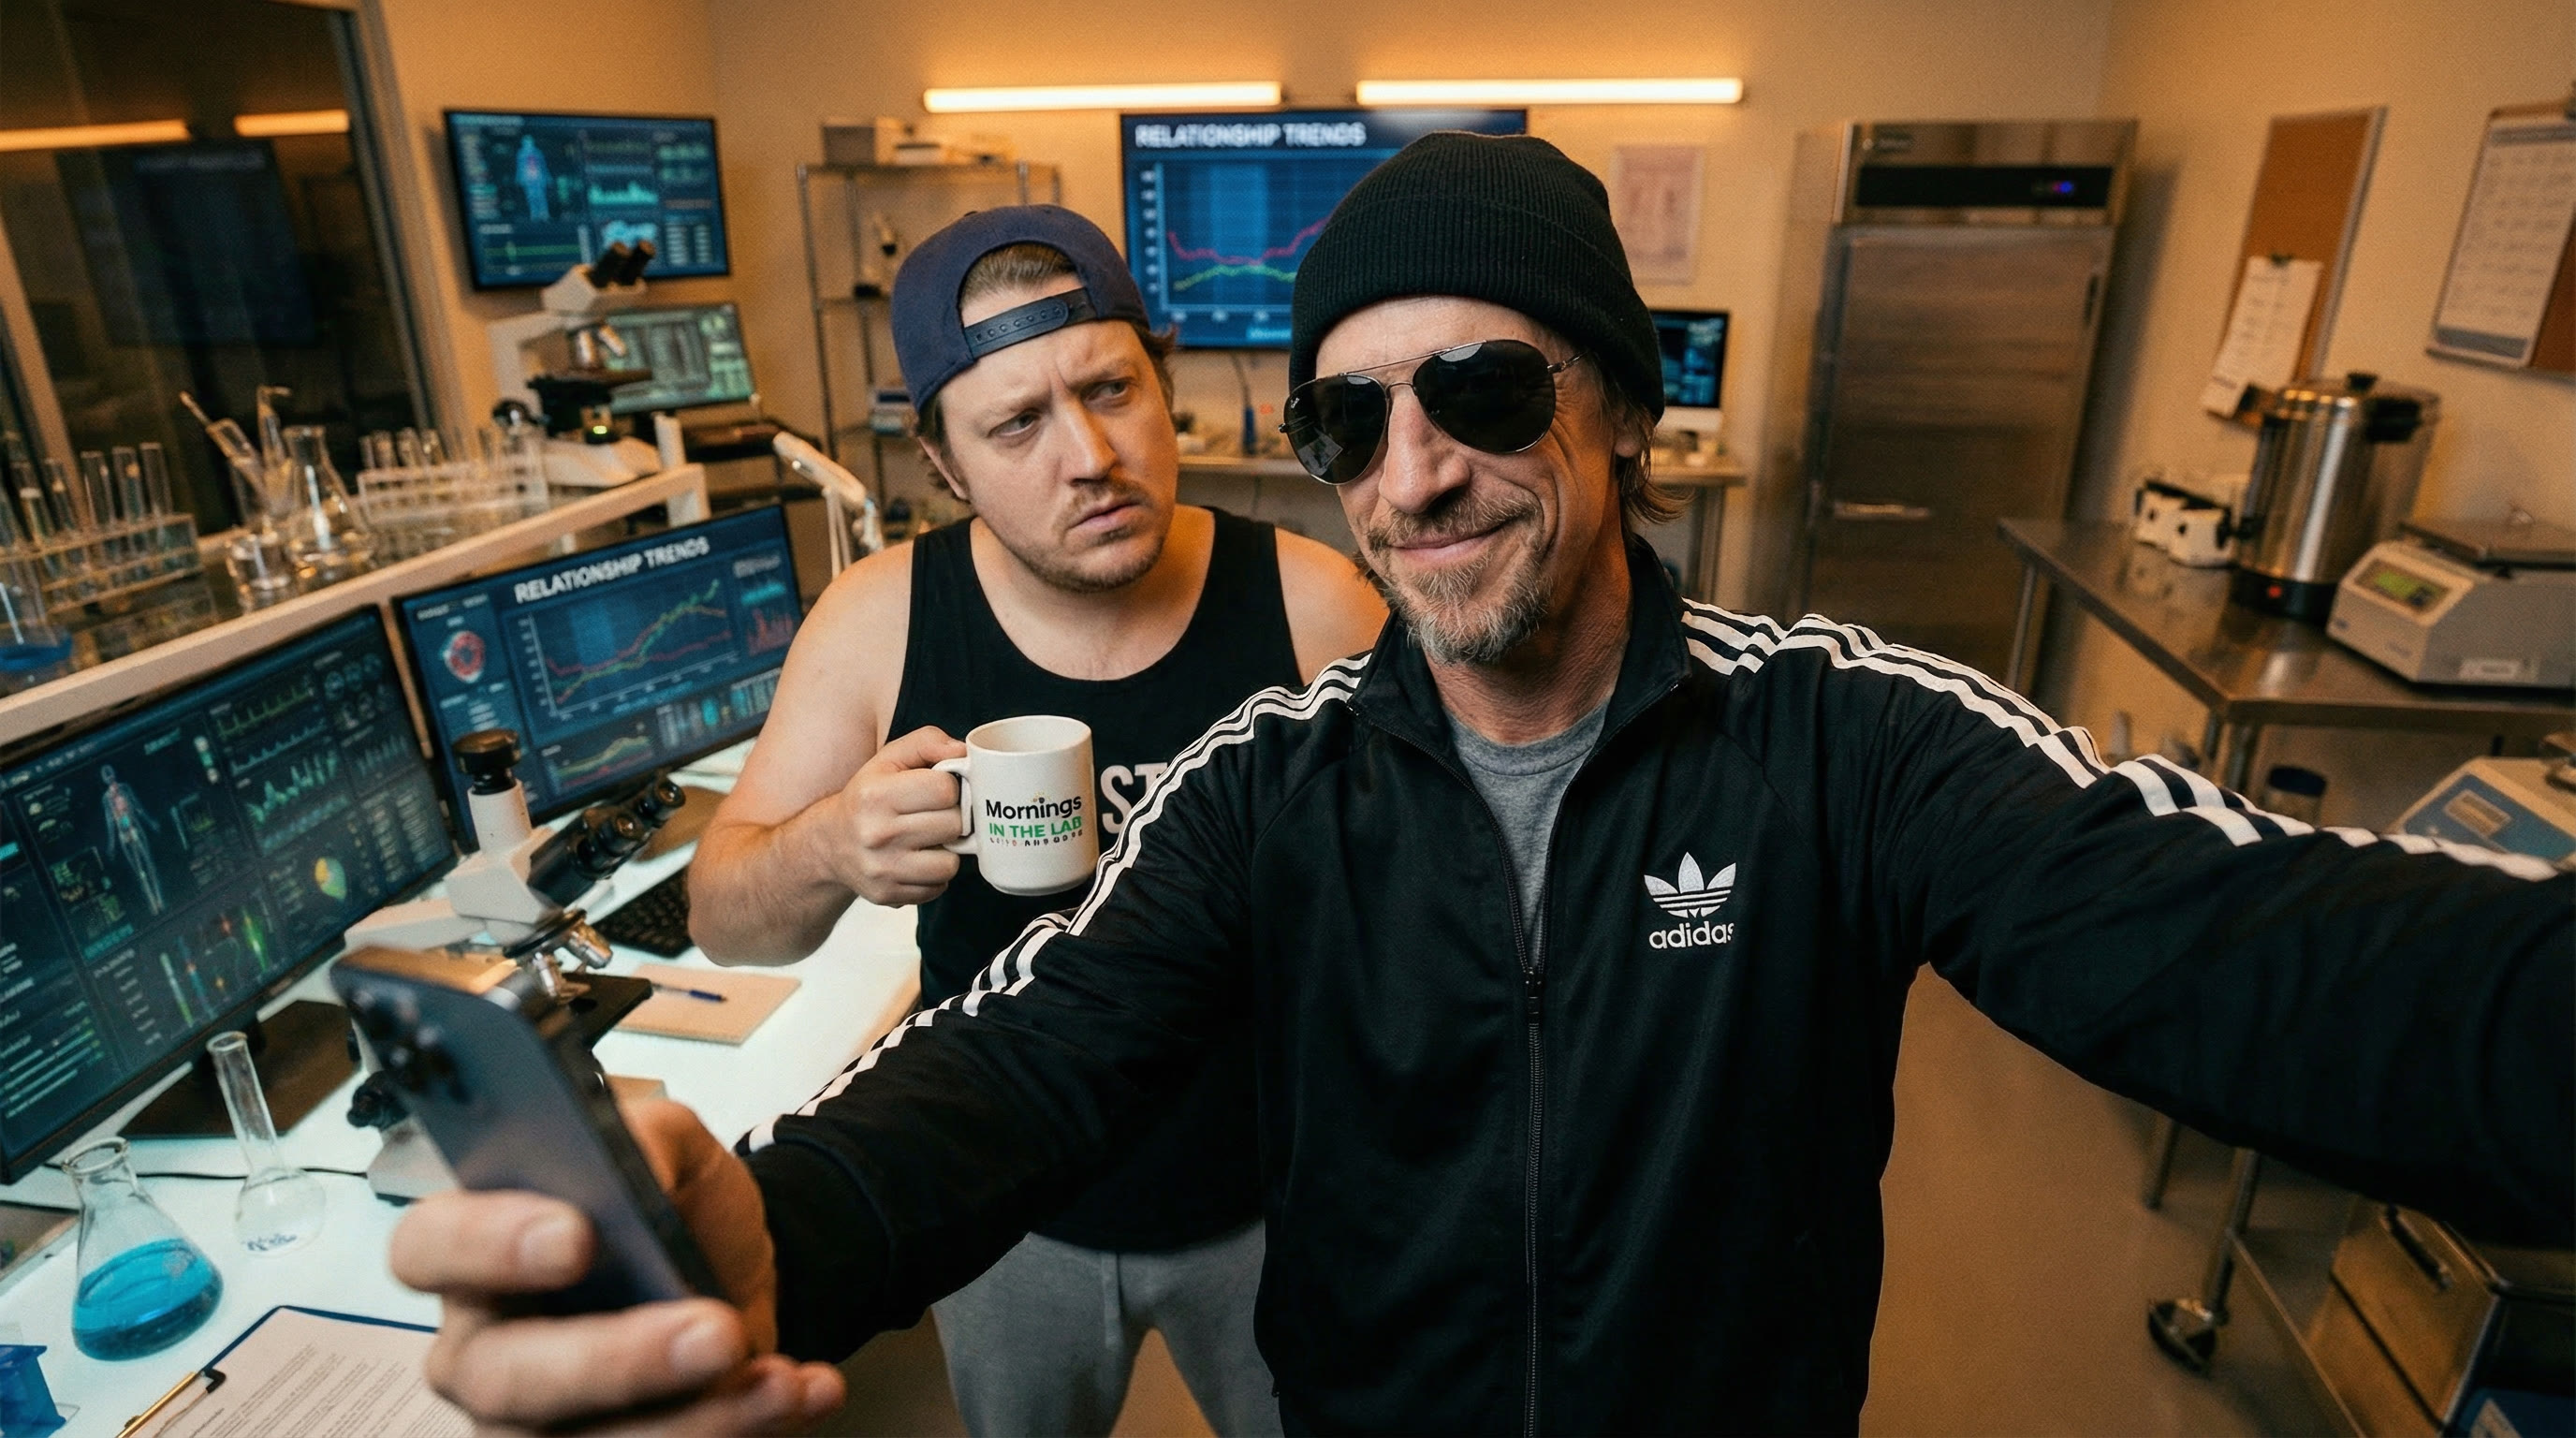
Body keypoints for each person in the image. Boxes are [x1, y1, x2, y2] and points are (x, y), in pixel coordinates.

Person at [390, 134, 2573, 1436]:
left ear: (1614, 406)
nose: (1413, 469)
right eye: (1349, 420)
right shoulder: (1271, 787)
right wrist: (770, 1228)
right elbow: (1026, 1055)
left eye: (1480, 389)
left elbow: (2244, 947)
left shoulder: (1841, 741)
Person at [682, 206, 1384, 1435]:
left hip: (1272, 1198)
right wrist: (830, 843)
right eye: (1017, 423)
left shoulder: (1314, 605)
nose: (1090, 456)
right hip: (1008, 1213)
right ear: (943, 463)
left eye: (1111, 390)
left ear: (1163, 385)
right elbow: (725, 919)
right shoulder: (879, 620)